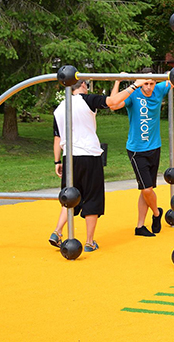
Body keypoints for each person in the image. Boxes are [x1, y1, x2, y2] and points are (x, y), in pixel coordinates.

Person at [49, 77, 146, 252]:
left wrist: (57, 161)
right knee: (92, 198)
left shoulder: (60, 108)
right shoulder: (88, 100)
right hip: (89, 155)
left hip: (69, 157)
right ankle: (89, 241)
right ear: (83, 85)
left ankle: (57, 231)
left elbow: (57, 138)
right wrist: (134, 85)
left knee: (70, 197)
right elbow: (113, 101)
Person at [113, 69, 172, 237]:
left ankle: (140, 226)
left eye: (152, 83)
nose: (149, 87)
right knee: (147, 190)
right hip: (136, 150)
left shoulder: (159, 89)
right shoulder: (133, 94)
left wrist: (170, 73)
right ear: (140, 83)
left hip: (155, 147)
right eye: (145, 83)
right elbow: (113, 104)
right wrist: (118, 81)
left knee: (146, 188)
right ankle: (156, 213)